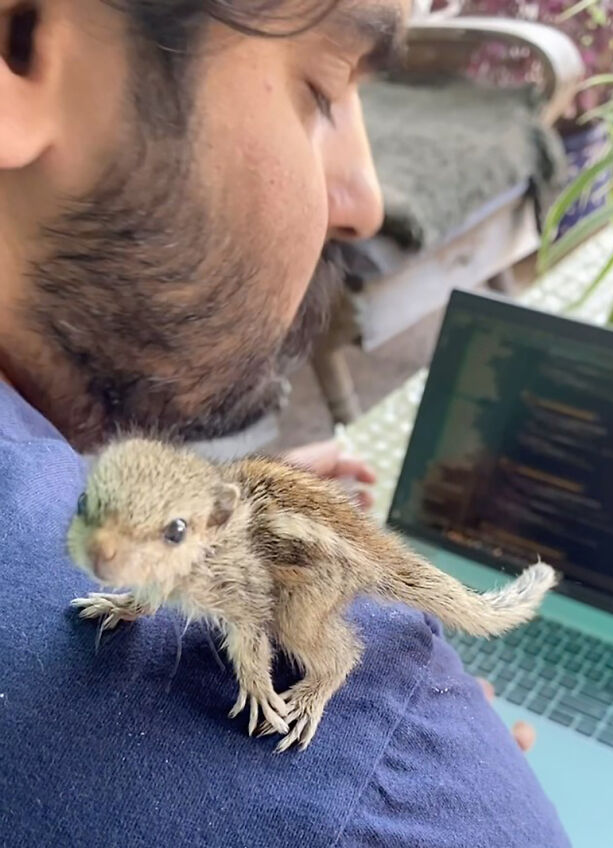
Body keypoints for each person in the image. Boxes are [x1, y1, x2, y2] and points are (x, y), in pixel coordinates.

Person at [0, 1, 570, 845]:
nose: (367, 205)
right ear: (19, 41)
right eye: (324, 88)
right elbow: (229, 616)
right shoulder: (413, 782)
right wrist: (449, 770)